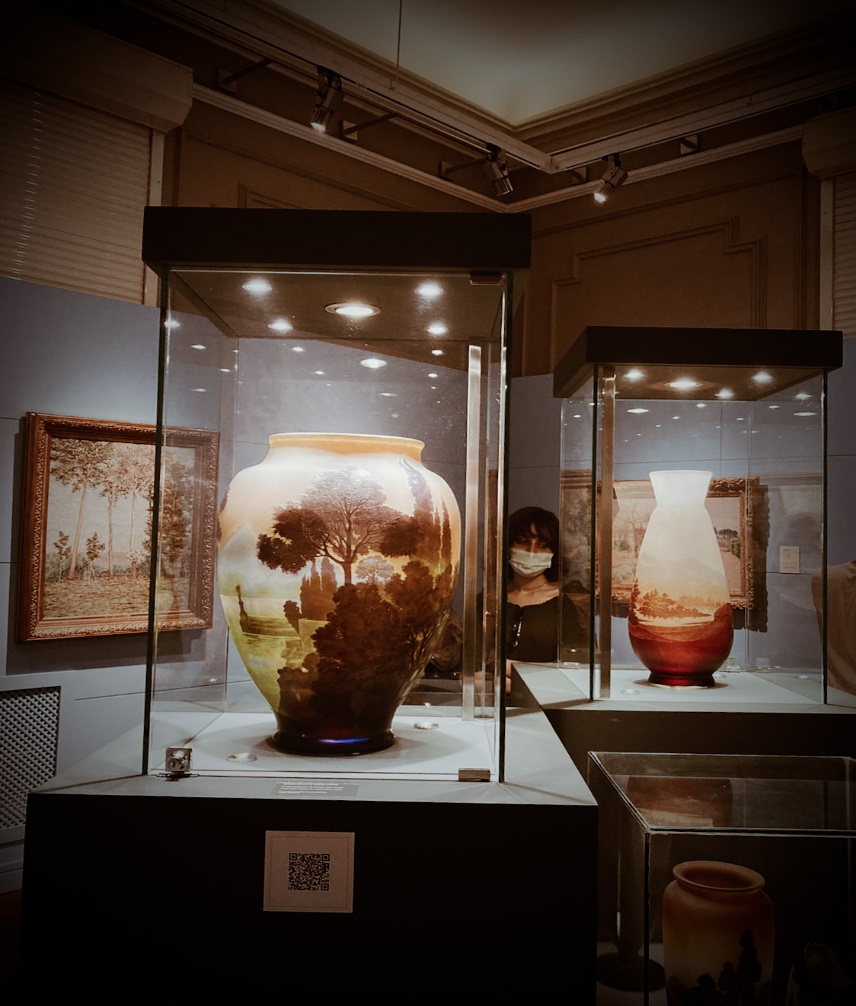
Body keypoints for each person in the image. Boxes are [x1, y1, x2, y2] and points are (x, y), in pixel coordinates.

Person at [505, 505, 587, 696]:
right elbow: (473, 666)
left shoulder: (565, 605)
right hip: (489, 707)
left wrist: (511, 673)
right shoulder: (491, 598)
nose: (531, 551)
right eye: (523, 541)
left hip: (546, 703)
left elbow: (575, 669)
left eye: (543, 545)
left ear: (554, 552)